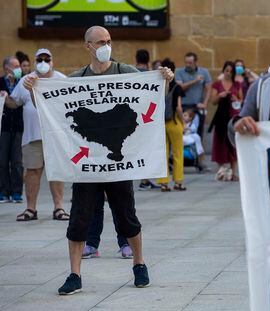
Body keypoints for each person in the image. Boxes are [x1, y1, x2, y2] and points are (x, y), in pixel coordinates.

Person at [22, 26, 174, 295]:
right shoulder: (77, 78)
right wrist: (35, 90)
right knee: (79, 219)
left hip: (118, 165)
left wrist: (165, 79)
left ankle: (139, 265)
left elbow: (151, 94)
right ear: (88, 46)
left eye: (108, 41)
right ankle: (74, 274)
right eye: (100, 42)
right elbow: (52, 111)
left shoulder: (125, 73)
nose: (106, 45)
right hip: (87, 167)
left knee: (126, 217)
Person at [3, 49, 68, 221]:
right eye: (40, 59)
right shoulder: (26, 80)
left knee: (56, 172)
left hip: (55, 136)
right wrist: (4, 97)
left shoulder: (61, 80)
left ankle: (59, 207)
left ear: (53, 61)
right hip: (32, 136)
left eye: (47, 59)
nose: (44, 62)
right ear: (35, 61)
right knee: (32, 171)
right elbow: (14, 103)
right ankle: (31, 209)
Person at [156, 58, 187, 192]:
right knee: (178, 153)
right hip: (174, 122)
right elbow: (179, 108)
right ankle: (178, 182)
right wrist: (184, 123)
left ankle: (163, 183)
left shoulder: (158, 85)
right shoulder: (177, 86)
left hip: (161, 124)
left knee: (163, 154)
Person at [210, 61, 243, 181]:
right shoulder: (217, 84)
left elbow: (241, 100)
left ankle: (234, 172)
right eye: (226, 71)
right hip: (221, 116)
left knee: (233, 143)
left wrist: (235, 98)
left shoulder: (237, 84)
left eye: (231, 71)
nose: (228, 73)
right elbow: (213, 101)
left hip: (233, 116)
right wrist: (220, 95)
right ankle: (222, 170)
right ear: (223, 71)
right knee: (220, 142)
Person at [135, 48, 161, 191]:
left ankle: (144, 179)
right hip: (147, 116)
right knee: (145, 149)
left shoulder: (130, 73)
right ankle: (144, 180)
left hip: (134, 115)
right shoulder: (151, 75)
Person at [0, 56, 23, 203]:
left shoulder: (22, 82)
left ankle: (16, 192)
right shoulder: (0, 82)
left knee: (16, 161)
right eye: (14, 66)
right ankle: (3, 191)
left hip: (19, 126)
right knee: (2, 160)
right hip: (4, 127)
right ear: (6, 68)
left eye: (18, 66)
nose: (18, 69)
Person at [175, 52, 212, 140]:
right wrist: (195, 81)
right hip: (183, 106)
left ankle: (197, 152)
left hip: (197, 107)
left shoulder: (204, 72)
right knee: (183, 132)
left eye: (190, 63)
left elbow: (209, 89)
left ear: (195, 62)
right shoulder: (179, 72)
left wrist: (205, 103)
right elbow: (180, 88)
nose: (188, 65)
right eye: (186, 62)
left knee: (198, 133)